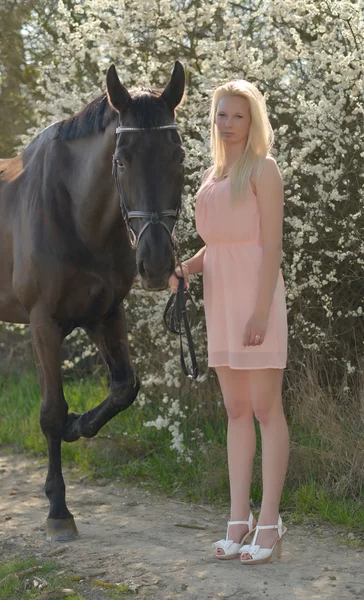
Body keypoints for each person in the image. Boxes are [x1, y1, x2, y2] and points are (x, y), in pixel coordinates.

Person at [168, 80, 289, 565]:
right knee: (236, 411)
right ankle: (238, 520)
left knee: (265, 409)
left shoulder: (264, 169)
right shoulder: (212, 175)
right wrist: (186, 269)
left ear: (252, 120)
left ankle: (271, 522)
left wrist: (261, 310)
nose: (228, 123)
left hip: (256, 299)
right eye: (222, 114)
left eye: (238, 115)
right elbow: (215, 244)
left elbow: (271, 245)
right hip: (220, 300)